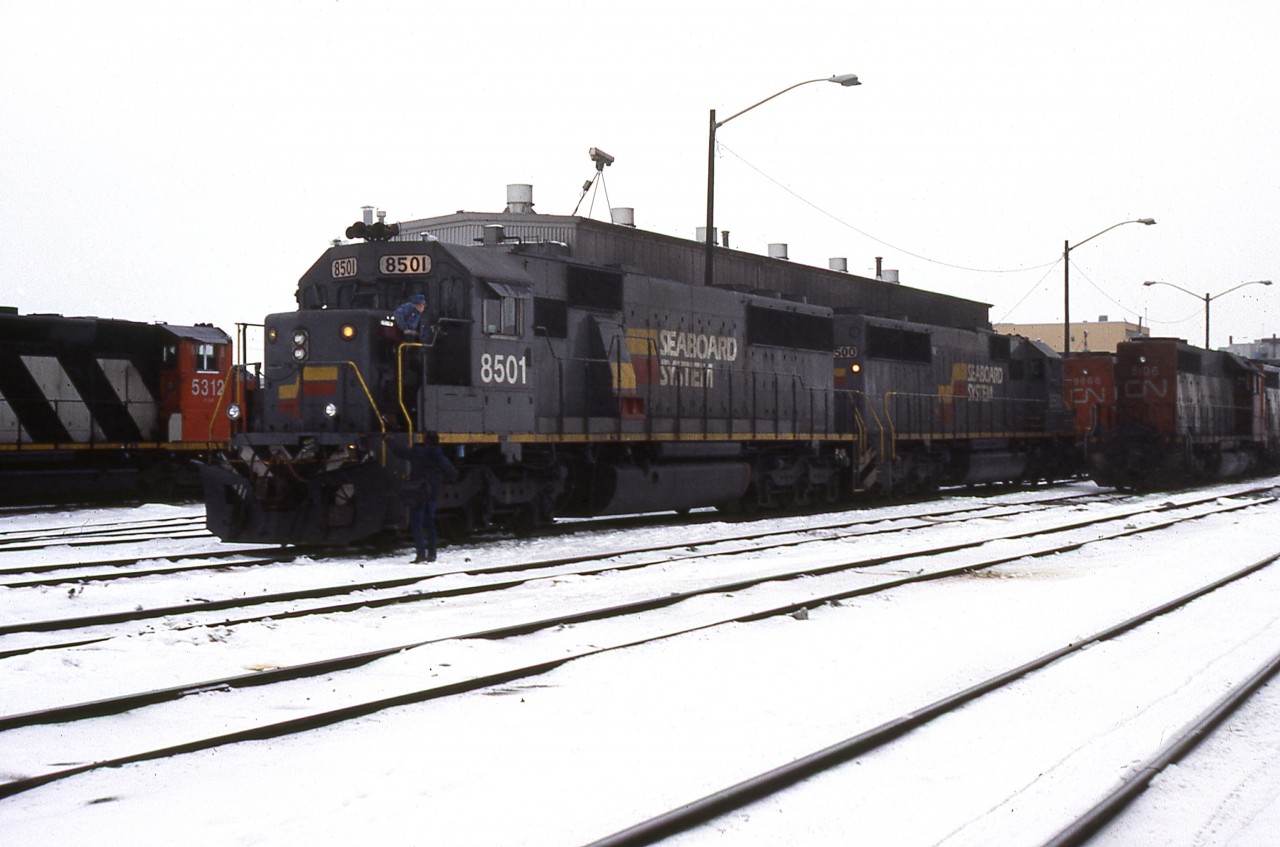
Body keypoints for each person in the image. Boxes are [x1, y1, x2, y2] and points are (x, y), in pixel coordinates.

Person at [385, 430, 459, 563]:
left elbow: (400, 451)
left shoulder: (417, 452)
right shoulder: (438, 455)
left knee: (416, 523)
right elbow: (452, 472)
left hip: (418, 493)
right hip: (432, 494)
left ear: (425, 441)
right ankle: (432, 554)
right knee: (430, 523)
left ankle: (421, 554)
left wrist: (389, 439)